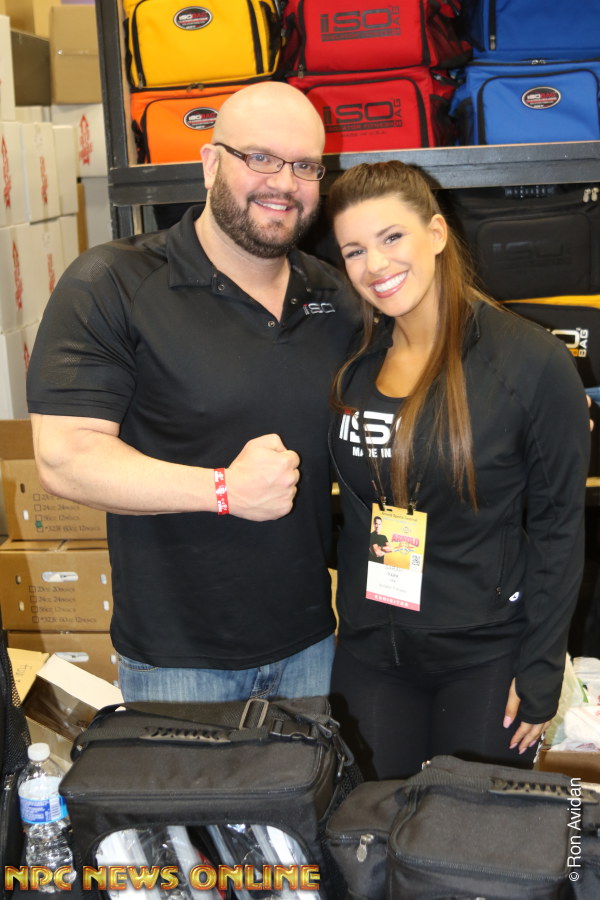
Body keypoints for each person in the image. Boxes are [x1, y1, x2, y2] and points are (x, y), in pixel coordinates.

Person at [25, 81, 359, 703]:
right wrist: (224, 490)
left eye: (305, 166)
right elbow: (64, 457)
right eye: (260, 157)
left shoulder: (335, 296)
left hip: (312, 646)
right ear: (209, 164)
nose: (283, 183)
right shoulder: (112, 282)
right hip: (177, 665)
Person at [326, 160, 591, 780]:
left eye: (392, 237)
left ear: (437, 233)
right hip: (372, 650)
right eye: (354, 251)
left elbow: (558, 527)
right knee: (367, 824)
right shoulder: (351, 362)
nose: (376, 265)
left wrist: (541, 668)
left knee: (470, 831)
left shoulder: (529, 362)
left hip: (485, 655)